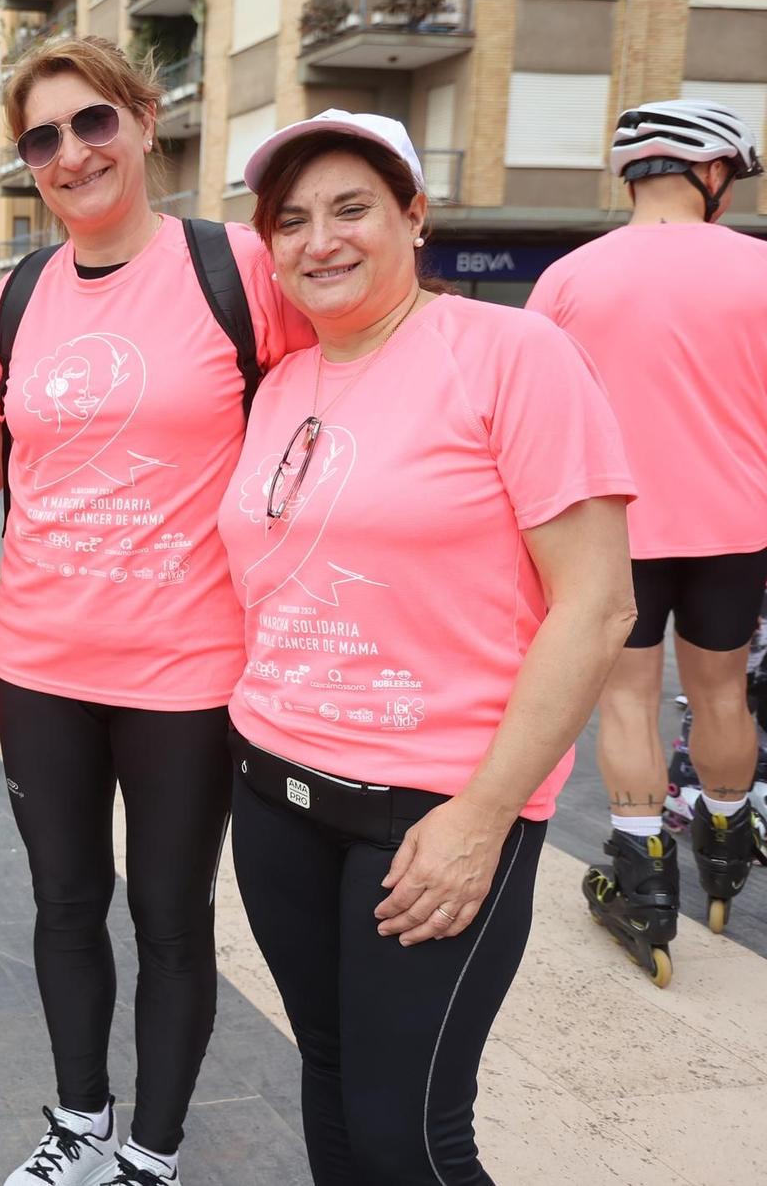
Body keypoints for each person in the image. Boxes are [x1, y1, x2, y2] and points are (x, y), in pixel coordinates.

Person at [222, 110, 637, 1183]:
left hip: (432, 812)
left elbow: (594, 607)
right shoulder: (282, 383)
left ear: (413, 215)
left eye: (351, 207)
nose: (319, 238)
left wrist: (482, 815)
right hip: (275, 791)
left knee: (408, 1134)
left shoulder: (509, 354)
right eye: (292, 218)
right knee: (325, 1073)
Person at [0, 36, 311, 1186]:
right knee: (63, 902)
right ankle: (77, 1125)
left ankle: (148, 1154)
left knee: (169, 915)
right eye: (42, 139)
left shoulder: (237, 269)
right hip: (36, 662)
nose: (71, 154)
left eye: (91, 123)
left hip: (187, 669)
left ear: (143, 119)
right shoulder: (14, 297)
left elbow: (339, 399)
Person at [527, 100, 767, 962]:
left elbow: (540, 419)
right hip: (737, 525)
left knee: (626, 699)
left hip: (614, 530)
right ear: (712, 175)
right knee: (722, 694)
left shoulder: (567, 278)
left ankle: (643, 877)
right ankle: (729, 846)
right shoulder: (761, 269)